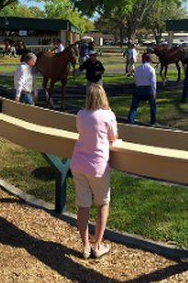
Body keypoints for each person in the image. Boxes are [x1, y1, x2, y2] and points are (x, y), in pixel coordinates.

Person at [70, 84, 118, 260]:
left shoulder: (80, 114)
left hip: (78, 164)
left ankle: (85, 246)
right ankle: (97, 246)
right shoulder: (108, 115)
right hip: (98, 166)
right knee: (103, 203)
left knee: (83, 206)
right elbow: (113, 137)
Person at [127, 53, 157, 126]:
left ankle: (130, 120)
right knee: (152, 106)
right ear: (150, 60)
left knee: (134, 106)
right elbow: (153, 82)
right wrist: (154, 92)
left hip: (138, 89)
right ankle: (152, 121)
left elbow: (136, 79)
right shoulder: (151, 69)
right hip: (148, 89)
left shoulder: (137, 68)